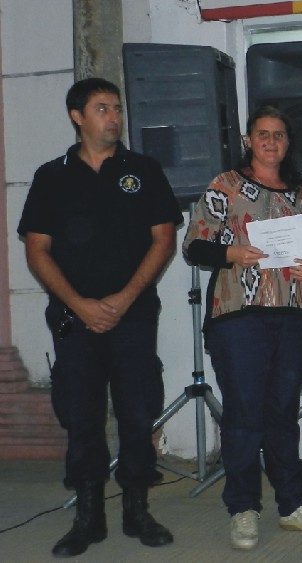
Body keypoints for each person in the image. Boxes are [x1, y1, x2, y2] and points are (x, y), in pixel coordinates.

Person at [18, 77, 181, 557]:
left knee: (137, 411)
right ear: (77, 117)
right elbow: (37, 249)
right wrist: (79, 303)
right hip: (74, 320)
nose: (114, 117)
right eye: (102, 108)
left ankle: (137, 510)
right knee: (81, 415)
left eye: (117, 108)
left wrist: (125, 298)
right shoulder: (52, 176)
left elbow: (164, 240)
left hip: (133, 315)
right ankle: (88, 517)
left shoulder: (143, 170)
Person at [183, 103, 302, 551]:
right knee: (244, 414)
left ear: (288, 143)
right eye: (263, 134)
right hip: (238, 317)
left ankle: (293, 505)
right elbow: (194, 246)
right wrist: (231, 254)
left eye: (279, 135)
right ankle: (243, 508)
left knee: (282, 414)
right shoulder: (226, 185)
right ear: (249, 140)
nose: (271, 142)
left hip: (291, 317)